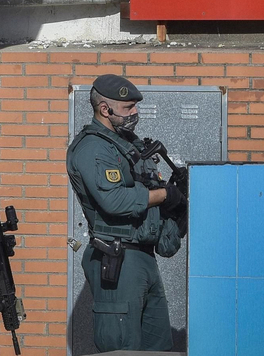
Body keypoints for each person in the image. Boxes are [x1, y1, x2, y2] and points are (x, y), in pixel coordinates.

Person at [67, 74, 184, 352]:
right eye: (128, 108)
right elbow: (115, 200)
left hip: (143, 256)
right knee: (121, 349)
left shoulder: (127, 143)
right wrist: (165, 195)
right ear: (104, 109)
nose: (135, 113)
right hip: (118, 259)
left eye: (135, 107)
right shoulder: (93, 147)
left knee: (158, 348)